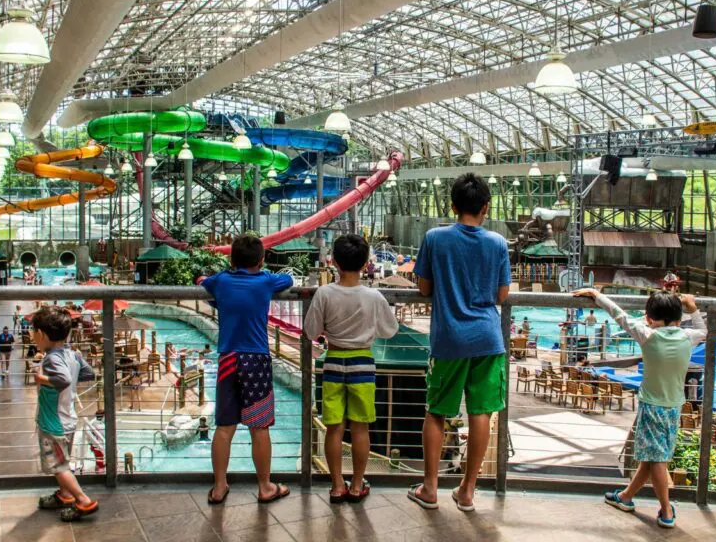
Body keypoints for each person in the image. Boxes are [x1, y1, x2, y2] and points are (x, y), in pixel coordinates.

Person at [409, 173, 510, 513]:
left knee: (436, 412)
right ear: (486, 207)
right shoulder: (497, 243)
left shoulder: (435, 238)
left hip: (449, 338)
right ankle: (467, 491)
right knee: (481, 412)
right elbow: (502, 294)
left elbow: (423, 288)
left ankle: (430, 488)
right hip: (488, 338)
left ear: (452, 206)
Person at [574, 288, 705, 529]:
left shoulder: (647, 335)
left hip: (651, 406)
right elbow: (703, 329)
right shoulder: (688, 337)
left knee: (656, 459)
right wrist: (693, 306)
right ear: (678, 317)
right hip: (675, 406)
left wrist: (597, 295)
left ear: (649, 318)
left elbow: (619, 314)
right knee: (652, 456)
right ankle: (625, 497)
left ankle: (666, 510)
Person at [199, 234, 294, 505]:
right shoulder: (265, 281)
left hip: (228, 358)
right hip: (256, 360)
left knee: (224, 426)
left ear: (231, 259)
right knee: (259, 426)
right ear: (262, 260)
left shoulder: (221, 281)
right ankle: (265, 487)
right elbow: (288, 280)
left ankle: (219, 487)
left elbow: (204, 282)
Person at [303, 234, 399, 504]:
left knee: (334, 428)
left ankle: (336, 486)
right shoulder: (373, 296)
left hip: (333, 360)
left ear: (333, 262)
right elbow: (389, 330)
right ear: (366, 263)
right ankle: (357, 485)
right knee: (360, 428)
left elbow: (311, 330)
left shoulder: (324, 293)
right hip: (363, 365)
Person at [32, 305, 98, 521]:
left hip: (54, 423)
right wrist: (75, 364)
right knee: (63, 461)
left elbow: (63, 380)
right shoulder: (72, 354)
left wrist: (41, 379)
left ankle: (83, 500)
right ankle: (65, 495)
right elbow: (89, 373)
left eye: (33, 332)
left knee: (58, 466)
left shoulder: (51, 358)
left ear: (41, 334)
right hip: (68, 418)